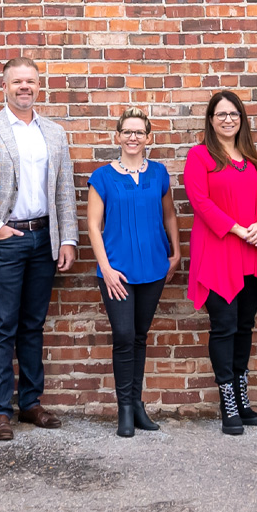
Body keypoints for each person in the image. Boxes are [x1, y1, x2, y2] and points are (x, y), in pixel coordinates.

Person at [0, 57, 78, 441]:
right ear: (4, 87)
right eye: (18, 81)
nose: (25, 87)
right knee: (2, 326)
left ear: (40, 87)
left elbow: (63, 191)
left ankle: (31, 403)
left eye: (32, 82)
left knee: (33, 325)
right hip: (6, 241)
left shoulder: (53, 133)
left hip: (44, 239)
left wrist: (68, 238)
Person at [184, 91, 257, 435]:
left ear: (242, 119)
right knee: (224, 326)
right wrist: (238, 228)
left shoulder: (252, 159)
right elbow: (200, 201)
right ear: (211, 120)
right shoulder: (200, 156)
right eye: (220, 114)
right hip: (219, 251)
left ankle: (242, 397)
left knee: (245, 325)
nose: (227, 119)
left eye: (233, 113)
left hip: (252, 250)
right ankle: (227, 402)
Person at [86, 107, 181, 438]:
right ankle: (125, 409)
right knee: (124, 336)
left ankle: (137, 405)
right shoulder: (102, 177)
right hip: (118, 272)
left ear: (148, 138)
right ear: (117, 136)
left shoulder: (158, 174)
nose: (133, 137)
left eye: (139, 132)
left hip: (153, 267)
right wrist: (106, 269)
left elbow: (169, 215)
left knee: (140, 336)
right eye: (127, 131)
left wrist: (177, 251)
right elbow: (94, 227)